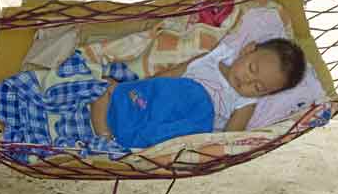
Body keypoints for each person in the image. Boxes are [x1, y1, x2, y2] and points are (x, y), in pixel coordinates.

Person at [90, 38, 306, 148]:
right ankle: (105, 137)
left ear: (265, 94)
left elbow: (227, 138)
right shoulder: (209, 61)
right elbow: (169, 77)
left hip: (178, 125)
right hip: (157, 102)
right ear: (248, 50)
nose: (248, 82)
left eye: (258, 87)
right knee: (108, 91)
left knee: (195, 109)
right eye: (252, 69)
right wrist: (140, 88)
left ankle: (115, 141)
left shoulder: (244, 102)